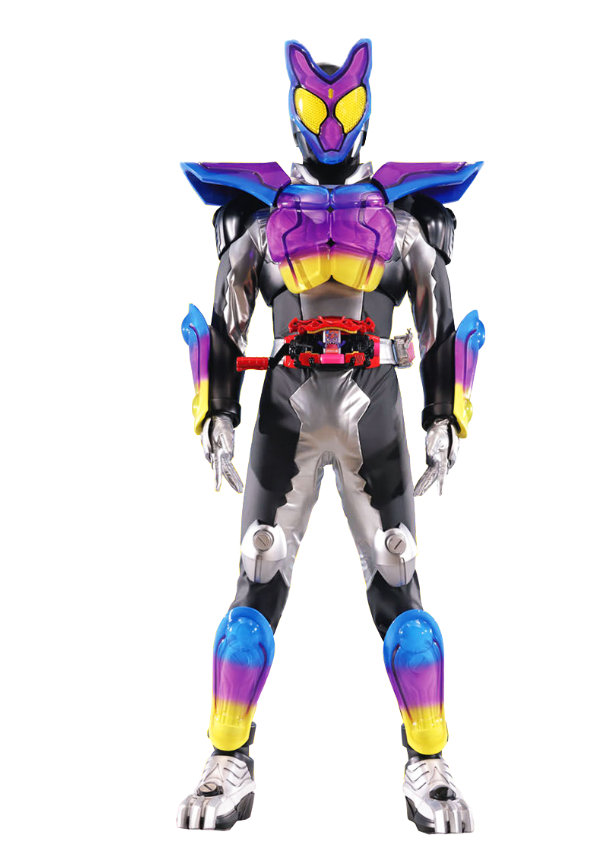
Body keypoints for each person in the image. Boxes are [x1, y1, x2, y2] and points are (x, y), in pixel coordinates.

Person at [177, 37, 485, 835]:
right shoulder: (263, 215)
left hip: (373, 415)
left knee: (401, 593)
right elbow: (225, 315)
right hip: (284, 413)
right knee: (254, 592)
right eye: (316, 106)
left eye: (343, 105)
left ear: (365, 106)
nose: (330, 122)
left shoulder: (400, 217)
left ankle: (429, 762)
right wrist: (215, 412)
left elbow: (441, 316)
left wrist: (445, 416)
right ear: (293, 108)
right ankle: (226, 759)